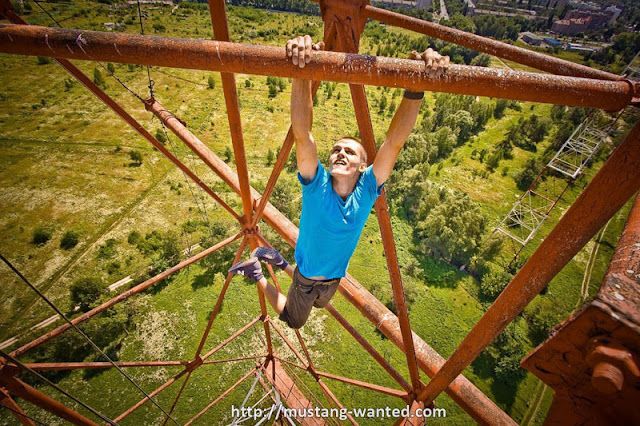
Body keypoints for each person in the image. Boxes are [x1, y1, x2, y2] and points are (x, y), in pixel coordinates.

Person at [229, 35, 449, 329]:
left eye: (349, 150)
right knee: (294, 320)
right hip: (307, 279)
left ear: (362, 165)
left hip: (333, 280)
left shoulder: (368, 187)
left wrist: (416, 87)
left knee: (320, 303)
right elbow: (302, 132)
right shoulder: (316, 184)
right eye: (336, 149)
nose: (339, 152)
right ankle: (257, 271)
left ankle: (279, 263)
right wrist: (301, 68)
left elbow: (394, 143)